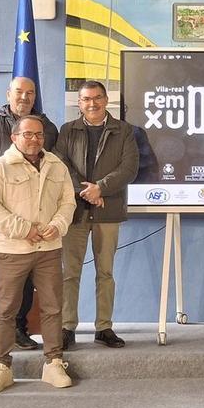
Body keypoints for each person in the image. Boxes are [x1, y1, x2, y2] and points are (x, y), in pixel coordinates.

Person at [0, 116, 78, 393]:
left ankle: (53, 362)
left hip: (49, 249)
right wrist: (25, 230)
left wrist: (57, 225)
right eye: (27, 134)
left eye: (38, 134)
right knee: (6, 309)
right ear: (14, 137)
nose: (34, 139)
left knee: (52, 307)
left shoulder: (57, 165)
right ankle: (1, 367)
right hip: (14, 250)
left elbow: (67, 202)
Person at [0, 77, 59, 355]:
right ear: (8, 94)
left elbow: (53, 171)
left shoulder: (48, 129)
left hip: (36, 221)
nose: (24, 97)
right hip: (1, 220)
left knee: (30, 275)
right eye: (19, 92)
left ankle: (19, 328)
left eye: (30, 93)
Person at [56, 80, 139, 349]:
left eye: (97, 98)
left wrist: (101, 188)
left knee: (105, 272)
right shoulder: (67, 130)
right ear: (79, 103)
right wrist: (87, 191)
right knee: (70, 273)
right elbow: (61, 165)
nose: (92, 103)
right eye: (86, 99)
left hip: (108, 210)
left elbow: (129, 167)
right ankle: (67, 327)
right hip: (76, 211)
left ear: (106, 100)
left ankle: (104, 327)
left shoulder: (123, 130)